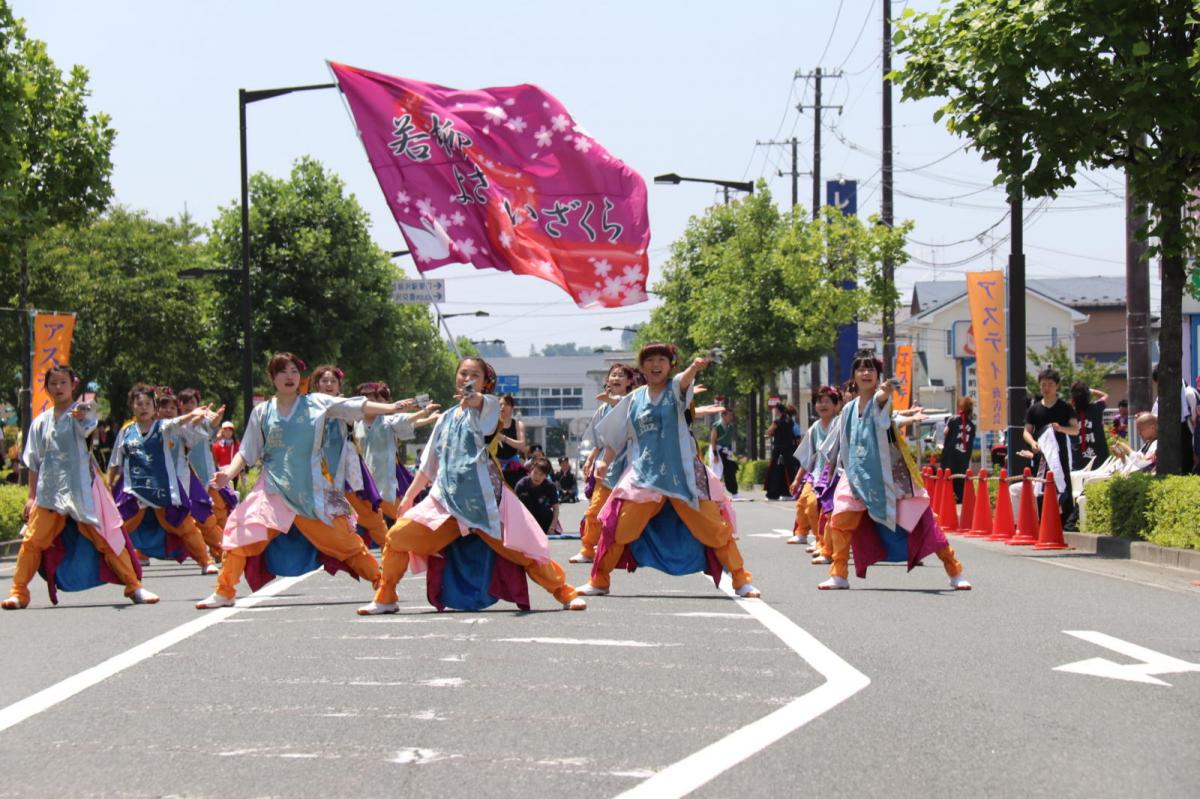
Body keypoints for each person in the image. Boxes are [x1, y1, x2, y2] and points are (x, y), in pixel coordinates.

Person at [358, 356, 584, 614]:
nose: (467, 379)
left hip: (485, 504)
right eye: (463, 373)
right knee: (396, 537)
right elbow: (429, 465)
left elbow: (478, 403)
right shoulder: (444, 419)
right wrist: (408, 499)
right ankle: (386, 596)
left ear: (486, 384)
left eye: (475, 375)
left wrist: (473, 396)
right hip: (444, 503)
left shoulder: (487, 408)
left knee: (523, 552)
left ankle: (563, 592)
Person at [196, 353, 408, 609]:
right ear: (272, 377)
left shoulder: (316, 403)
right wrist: (227, 474)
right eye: (283, 371)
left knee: (348, 544)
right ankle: (225, 591)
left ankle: (384, 588)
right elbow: (247, 452)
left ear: (301, 377)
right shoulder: (262, 412)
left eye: (294, 371)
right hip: (271, 490)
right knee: (241, 533)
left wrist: (392, 408)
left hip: (313, 492)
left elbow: (356, 406)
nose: (289, 376)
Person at [576, 343, 760, 599]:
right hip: (644, 476)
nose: (656, 365)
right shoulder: (634, 399)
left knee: (715, 529)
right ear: (642, 367)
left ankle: (741, 580)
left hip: (683, 474)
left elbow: (684, 383)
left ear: (671, 366)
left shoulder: (675, 389)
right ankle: (599, 580)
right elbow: (616, 437)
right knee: (618, 529)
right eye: (650, 360)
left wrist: (694, 368)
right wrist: (605, 461)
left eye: (662, 360)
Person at [3, 367, 158, 610]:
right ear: (47, 388)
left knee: (107, 538)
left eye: (63, 382)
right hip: (49, 493)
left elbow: (89, 426)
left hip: (82, 490)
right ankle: (19, 593)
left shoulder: (81, 414)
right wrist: (31, 496)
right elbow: (33, 462)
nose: (58, 387)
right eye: (53, 383)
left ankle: (134, 587)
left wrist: (83, 417)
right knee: (32, 541)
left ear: (72, 385)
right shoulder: (40, 423)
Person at [818, 352, 970, 591]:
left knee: (924, 521)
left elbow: (880, 402)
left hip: (890, 475)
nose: (865, 373)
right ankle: (839, 574)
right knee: (841, 520)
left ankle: (954, 569)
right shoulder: (847, 410)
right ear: (854, 376)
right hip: (856, 475)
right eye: (861, 369)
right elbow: (841, 443)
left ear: (878, 377)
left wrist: (887, 390)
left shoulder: (881, 400)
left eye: (871, 369)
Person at [107, 384, 217, 573]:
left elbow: (177, 422)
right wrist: (109, 487)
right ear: (132, 407)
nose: (143, 407)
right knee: (119, 529)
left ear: (154, 407)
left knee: (185, 525)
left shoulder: (162, 427)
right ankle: (117, 567)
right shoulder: (126, 432)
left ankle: (205, 561)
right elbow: (115, 462)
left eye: (148, 403)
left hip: (163, 489)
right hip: (136, 490)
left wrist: (192, 415)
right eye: (138, 403)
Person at [570, 364, 638, 564]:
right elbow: (600, 441)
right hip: (607, 469)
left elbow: (624, 409)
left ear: (629, 382)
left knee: (630, 515)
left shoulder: (633, 401)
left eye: (621, 375)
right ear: (607, 381)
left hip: (631, 467)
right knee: (594, 510)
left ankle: (626, 552)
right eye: (613, 375)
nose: (616, 377)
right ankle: (588, 548)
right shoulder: (602, 408)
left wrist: (612, 401)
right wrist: (591, 459)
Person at [1023, 367, 1079, 521]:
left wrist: (1061, 428)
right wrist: (1033, 443)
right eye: (1043, 385)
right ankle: (1043, 522)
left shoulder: (1065, 407)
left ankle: (1066, 524)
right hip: (1041, 457)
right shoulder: (1034, 409)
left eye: (1050, 384)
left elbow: (1075, 430)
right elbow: (1026, 431)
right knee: (1041, 488)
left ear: (1057, 386)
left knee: (1063, 486)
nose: (1046, 388)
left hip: (1060, 457)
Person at [788, 385, 841, 546]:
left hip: (833, 475)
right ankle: (802, 532)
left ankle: (822, 542)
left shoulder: (840, 424)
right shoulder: (815, 428)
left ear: (836, 405)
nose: (823, 405)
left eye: (827, 401)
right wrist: (797, 480)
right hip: (816, 474)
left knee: (817, 507)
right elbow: (807, 457)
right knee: (803, 501)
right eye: (819, 402)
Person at [1150, 364, 1198, 475]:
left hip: (1189, 439)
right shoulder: (1160, 399)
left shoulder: (1189, 394)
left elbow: (1195, 423)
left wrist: (1196, 450)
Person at [940, 396, 977, 503]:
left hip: (950, 456)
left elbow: (945, 432)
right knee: (960, 482)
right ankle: (961, 503)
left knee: (946, 479)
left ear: (960, 407)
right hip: (963, 458)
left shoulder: (953, 419)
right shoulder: (972, 425)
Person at [1069, 381, 1110, 468]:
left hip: (1078, 460)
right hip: (1099, 457)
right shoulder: (1096, 408)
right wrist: (1090, 390)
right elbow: (1105, 396)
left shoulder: (1069, 413)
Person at [515, 458, 561, 533]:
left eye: (541, 474)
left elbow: (556, 509)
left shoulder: (550, 486)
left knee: (544, 510)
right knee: (524, 497)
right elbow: (515, 509)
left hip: (543, 521)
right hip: (525, 520)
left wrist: (552, 527)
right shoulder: (521, 485)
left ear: (546, 475)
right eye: (535, 472)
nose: (537, 477)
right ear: (530, 471)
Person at [764, 402, 798, 500]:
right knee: (789, 470)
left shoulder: (777, 422)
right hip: (789, 449)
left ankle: (773, 493)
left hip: (779, 450)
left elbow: (769, 432)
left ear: (778, 411)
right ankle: (789, 493)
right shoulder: (790, 421)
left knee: (775, 471)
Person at [709, 408, 739, 496]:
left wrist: (731, 452)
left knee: (731, 469)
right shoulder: (716, 425)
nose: (731, 417)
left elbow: (730, 440)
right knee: (716, 472)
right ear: (723, 416)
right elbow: (713, 440)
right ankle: (714, 493)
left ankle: (734, 492)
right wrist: (715, 454)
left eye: (732, 415)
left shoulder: (731, 426)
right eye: (729, 415)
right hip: (717, 449)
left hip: (727, 450)